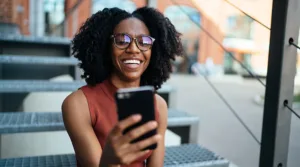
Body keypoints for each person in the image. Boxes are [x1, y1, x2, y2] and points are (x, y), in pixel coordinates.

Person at [61, 7, 183, 167]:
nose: (133, 49)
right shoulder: (78, 104)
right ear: (106, 46)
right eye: (121, 40)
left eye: (144, 41)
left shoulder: (159, 105)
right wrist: (111, 159)